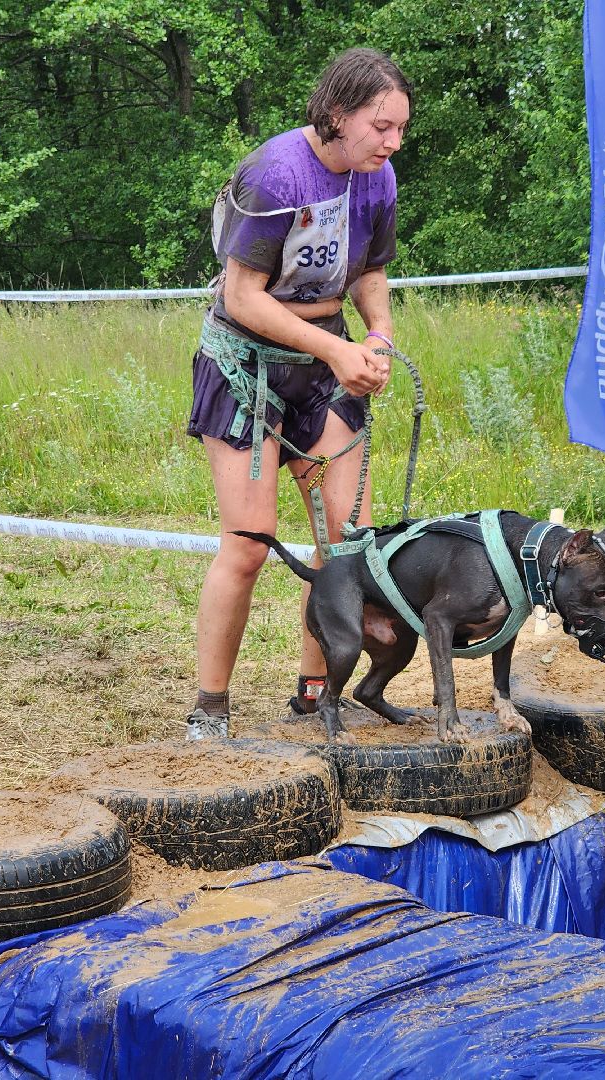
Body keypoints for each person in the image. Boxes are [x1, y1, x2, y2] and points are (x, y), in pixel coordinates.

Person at [184, 47, 412, 739]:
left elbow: (370, 270)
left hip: (325, 366)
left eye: (402, 127)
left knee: (347, 542)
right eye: (382, 126)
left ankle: (318, 690)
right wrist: (337, 349)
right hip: (246, 365)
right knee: (250, 544)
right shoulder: (274, 175)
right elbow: (242, 297)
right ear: (338, 114)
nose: (393, 141)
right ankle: (209, 708)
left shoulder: (379, 177)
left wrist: (376, 336)